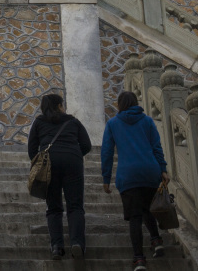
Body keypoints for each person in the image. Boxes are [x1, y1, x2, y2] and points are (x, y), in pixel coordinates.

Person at [101, 91, 170, 270]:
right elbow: (156, 146)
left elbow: (107, 152)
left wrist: (106, 177)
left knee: (135, 217)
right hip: (150, 172)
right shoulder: (147, 121)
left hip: (128, 175)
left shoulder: (113, 124)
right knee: (148, 208)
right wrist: (163, 169)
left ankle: (139, 259)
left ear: (119, 104)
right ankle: (156, 240)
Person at [27, 93, 92, 260]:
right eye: (62, 104)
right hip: (73, 162)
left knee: (54, 207)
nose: (63, 107)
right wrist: (75, 154)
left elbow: (32, 149)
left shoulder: (39, 122)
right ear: (58, 106)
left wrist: (41, 163)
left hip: (50, 164)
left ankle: (57, 246)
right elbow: (86, 145)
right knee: (75, 206)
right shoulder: (72, 121)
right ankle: (77, 243)